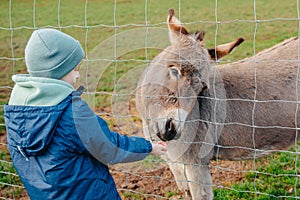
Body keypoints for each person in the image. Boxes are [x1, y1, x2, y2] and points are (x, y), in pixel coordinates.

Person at [4, 28, 167, 200]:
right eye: (74, 69)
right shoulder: (72, 113)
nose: (78, 74)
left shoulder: (16, 110)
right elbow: (109, 147)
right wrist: (149, 147)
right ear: (58, 71)